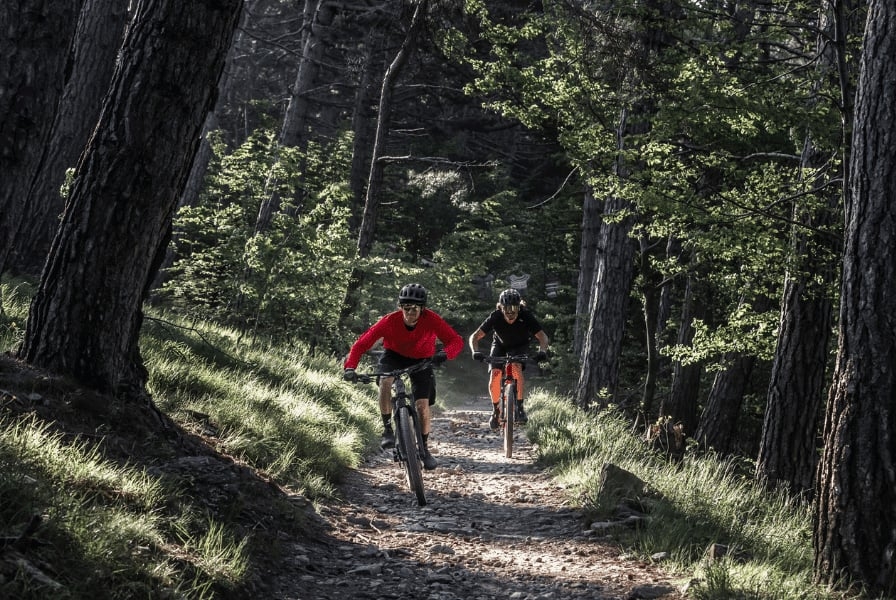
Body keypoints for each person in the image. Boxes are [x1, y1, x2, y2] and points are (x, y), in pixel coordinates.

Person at [343, 283, 463, 470]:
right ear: (400, 307)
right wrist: (350, 367)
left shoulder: (432, 319)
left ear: (422, 309)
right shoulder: (390, 320)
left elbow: (455, 341)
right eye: (406, 307)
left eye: (414, 308)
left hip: (422, 359)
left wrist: (444, 354)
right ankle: (388, 429)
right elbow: (361, 344)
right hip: (393, 356)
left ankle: (424, 448)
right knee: (385, 381)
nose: (409, 312)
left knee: (422, 405)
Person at [468, 288, 549, 429]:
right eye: (507, 309)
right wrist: (475, 351)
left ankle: (519, 407)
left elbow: (542, 337)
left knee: (516, 368)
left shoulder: (526, 316)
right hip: (500, 345)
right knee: (495, 374)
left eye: (514, 309)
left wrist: (542, 351)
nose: (510, 313)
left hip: (520, 346)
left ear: (520, 307)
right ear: (501, 307)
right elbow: (474, 337)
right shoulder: (496, 316)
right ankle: (495, 410)